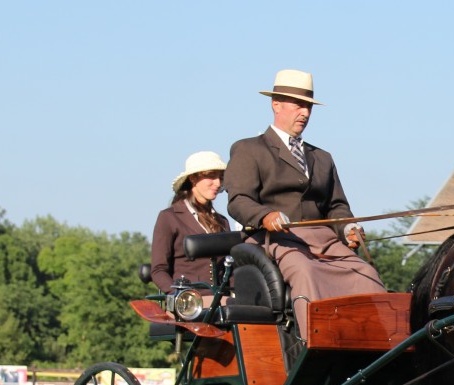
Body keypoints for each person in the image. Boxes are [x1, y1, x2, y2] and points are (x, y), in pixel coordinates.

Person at [224, 68, 385, 334]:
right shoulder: (249, 149)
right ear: (276, 104)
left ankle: (377, 345)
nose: (305, 113)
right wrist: (265, 216)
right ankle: (315, 343)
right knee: (304, 271)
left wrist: (347, 228)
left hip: (324, 240)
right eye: (298, 105)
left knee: (366, 274)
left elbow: (336, 206)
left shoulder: (322, 157)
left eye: (308, 106)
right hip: (273, 240)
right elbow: (238, 200)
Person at [150, 151, 230, 292]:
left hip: (221, 301)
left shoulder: (222, 222)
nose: (217, 183)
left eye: (220, 178)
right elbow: (158, 270)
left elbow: (230, 268)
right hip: (188, 306)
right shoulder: (169, 218)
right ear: (193, 179)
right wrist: (180, 298)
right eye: (211, 176)